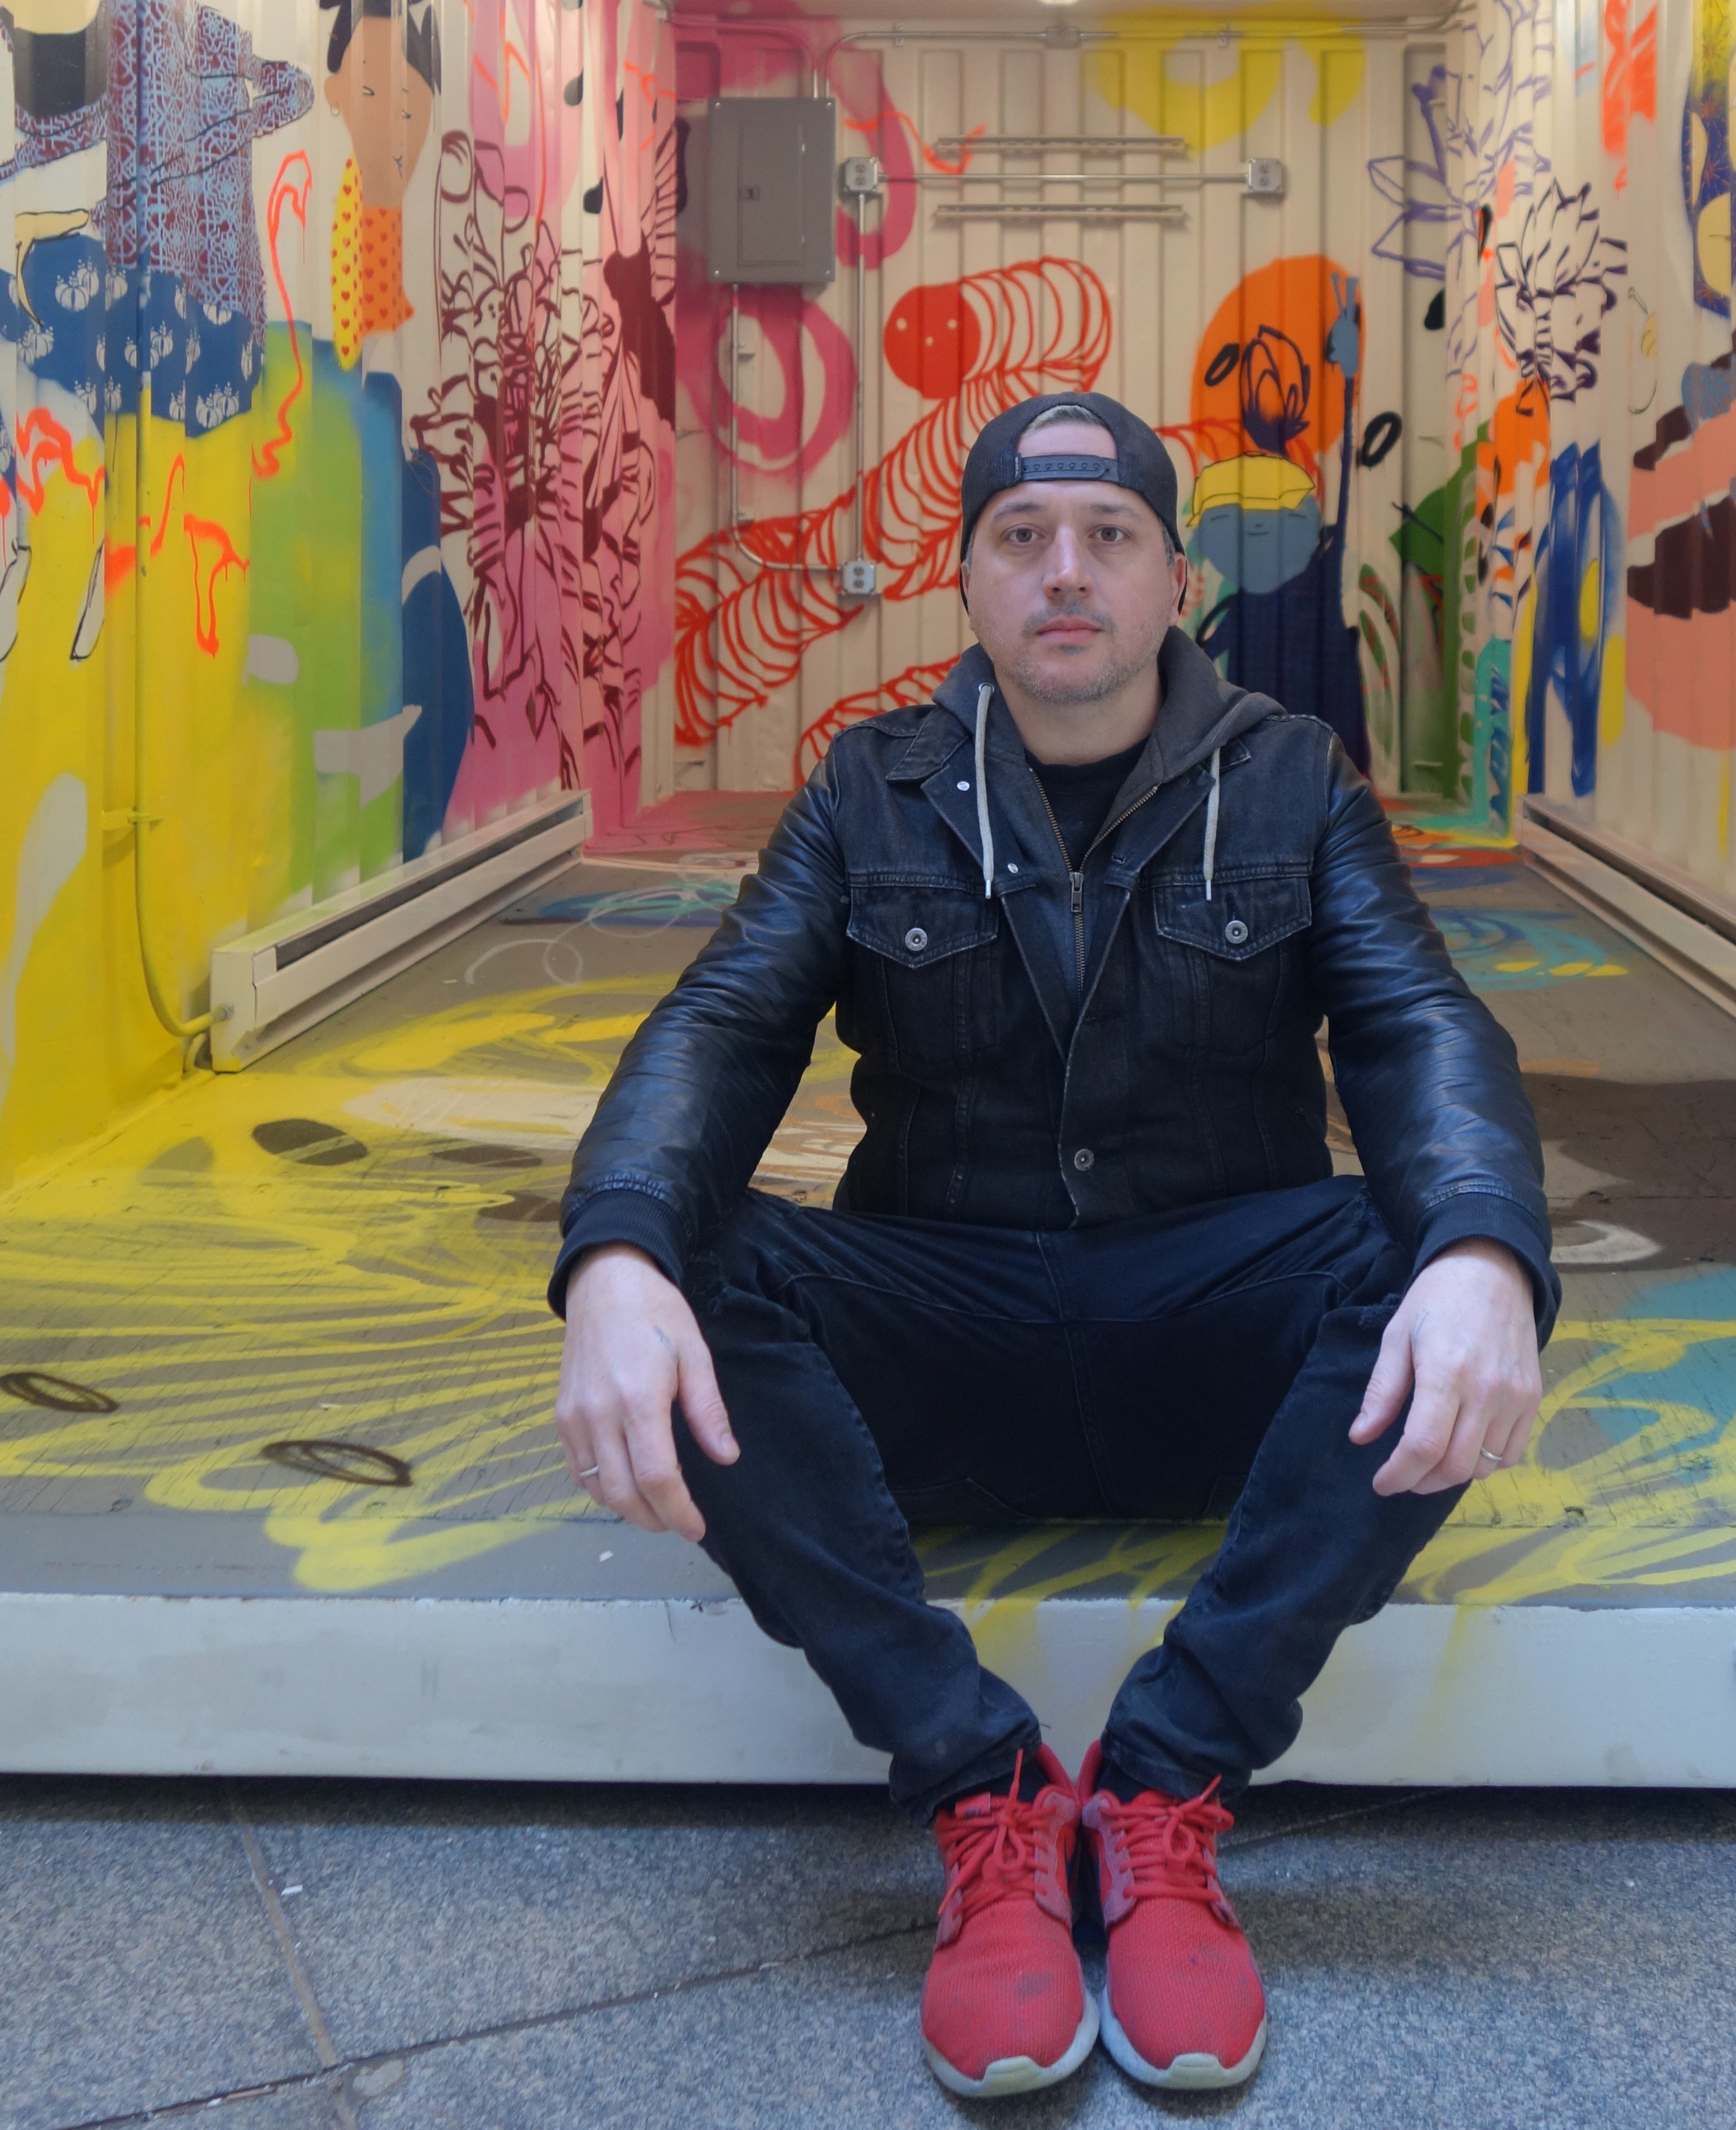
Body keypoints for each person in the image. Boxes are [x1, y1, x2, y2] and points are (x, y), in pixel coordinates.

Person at [550, 393, 1557, 2098]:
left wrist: (1481, 1250)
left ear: (1178, 581)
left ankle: (1165, 1784)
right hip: (943, 1339)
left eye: (1110, 540)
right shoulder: (867, 789)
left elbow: (1417, 1032)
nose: (1066, 575)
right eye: (1024, 539)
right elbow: (721, 1032)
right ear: (970, 582)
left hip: (1211, 1340)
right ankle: (986, 1795)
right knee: (689, 1264)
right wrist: (616, 1259)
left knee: (1439, 1249)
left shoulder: (1295, 780)